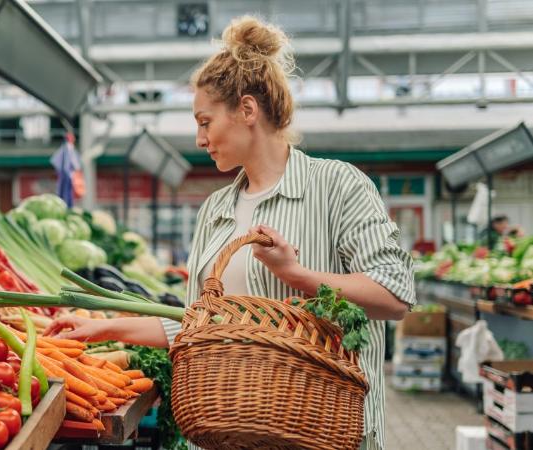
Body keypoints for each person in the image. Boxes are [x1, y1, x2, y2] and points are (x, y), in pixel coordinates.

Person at [44, 15, 415, 450]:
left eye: (205, 121)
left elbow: (393, 295)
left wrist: (297, 274)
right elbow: (197, 326)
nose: (199, 138)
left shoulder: (338, 186)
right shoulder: (216, 211)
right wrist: (103, 329)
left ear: (247, 109)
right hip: (235, 432)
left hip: (322, 434)